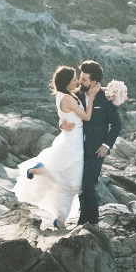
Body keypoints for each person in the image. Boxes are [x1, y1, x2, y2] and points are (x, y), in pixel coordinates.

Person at [17, 64, 89, 230]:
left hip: (70, 138)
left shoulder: (64, 95)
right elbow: (86, 116)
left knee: (69, 184)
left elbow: (65, 114)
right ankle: (43, 171)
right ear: (66, 82)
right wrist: (91, 100)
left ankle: (60, 219)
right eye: (74, 79)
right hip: (73, 143)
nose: (77, 81)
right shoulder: (68, 98)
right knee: (74, 184)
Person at [75, 60, 122, 225]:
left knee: (89, 184)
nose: (80, 81)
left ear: (94, 81)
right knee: (80, 186)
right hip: (77, 147)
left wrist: (106, 145)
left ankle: (93, 222)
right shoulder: (78, 95)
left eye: (84, 79)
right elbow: (65, 113)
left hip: (97, 149)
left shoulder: (105, 99)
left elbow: (117, 124)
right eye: (81, 78)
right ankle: (82, 220)